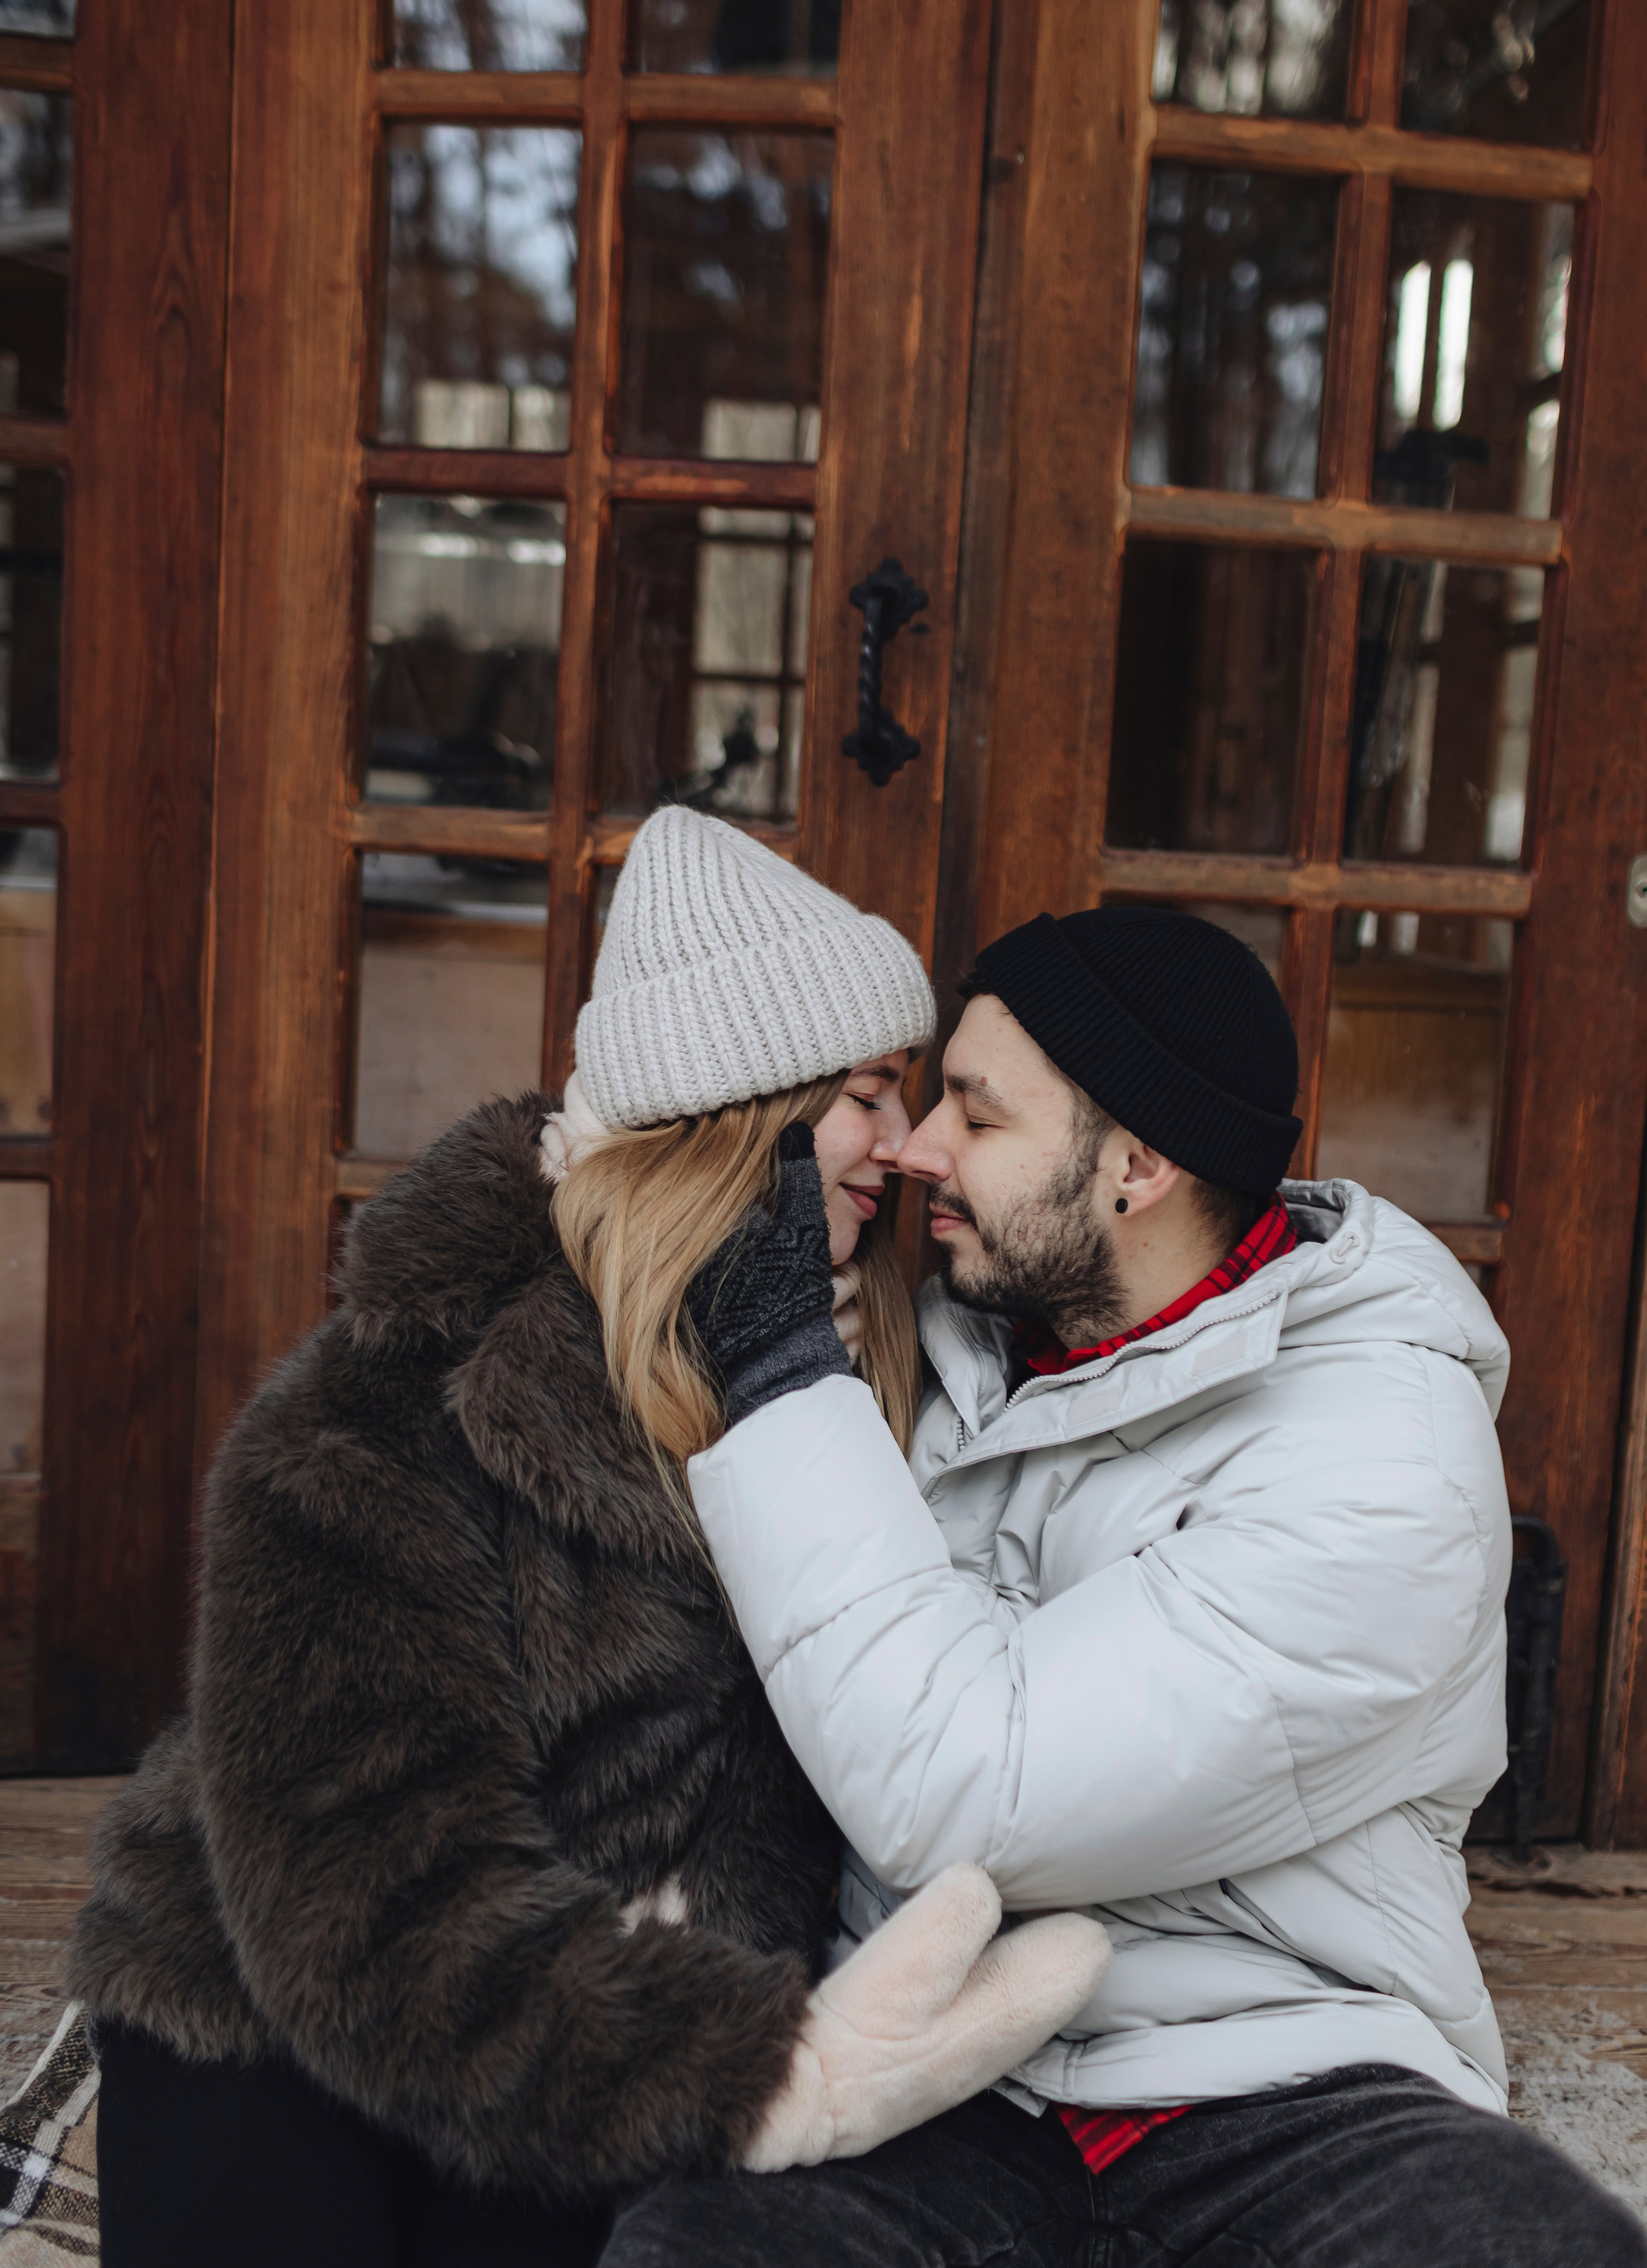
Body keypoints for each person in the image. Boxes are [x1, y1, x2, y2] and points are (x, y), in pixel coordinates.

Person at [68, 812, 1110, 2268]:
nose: (908, 1147)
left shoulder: (871, 1372)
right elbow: (370, 1896)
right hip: (299, 2019)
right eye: (866, 1094)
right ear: (736, 1114)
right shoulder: (387, 1414)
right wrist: (752, 2069)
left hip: (614, 2037)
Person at [605, 903, 1647, 2267]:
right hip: (930, 2066)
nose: (918, 1146)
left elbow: (969, 1789)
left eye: (975, 1116)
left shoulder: (1380, 1455)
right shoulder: (944, 1351)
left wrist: (783, 1374)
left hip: (1283, 2084)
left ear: (1134, 1166)